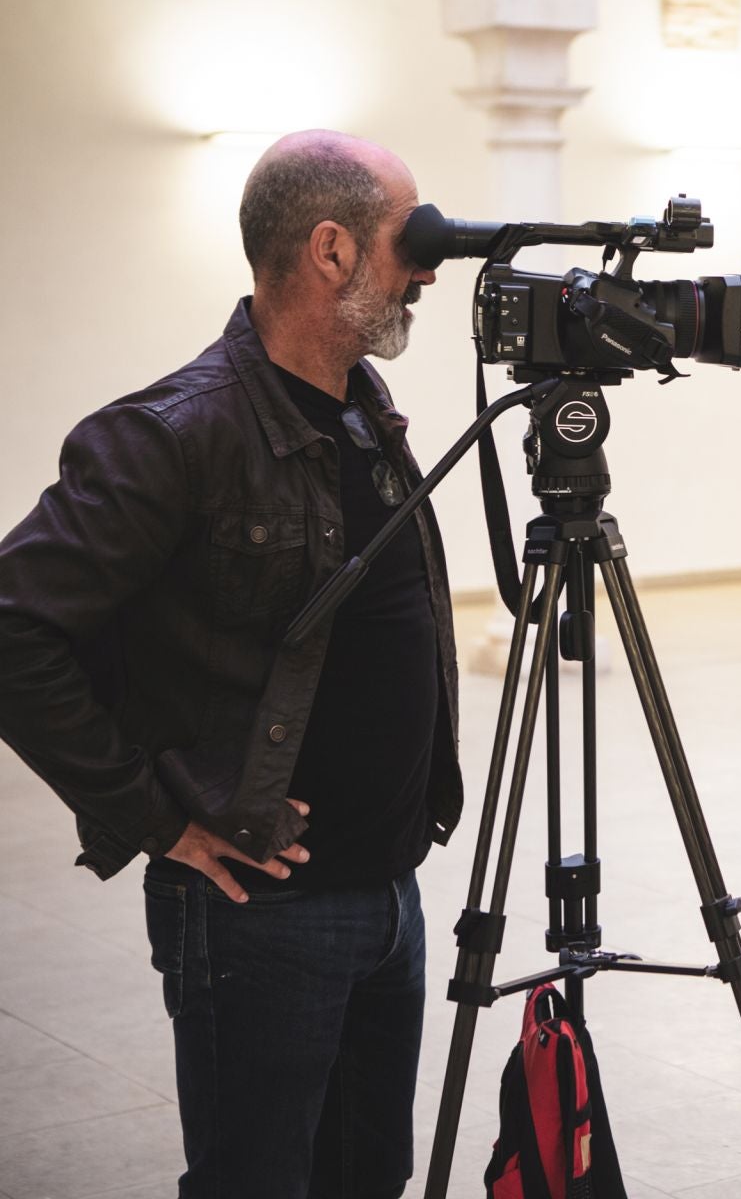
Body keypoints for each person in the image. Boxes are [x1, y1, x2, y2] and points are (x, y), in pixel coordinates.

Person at [0, 130, 463, 1196]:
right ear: (332, 250)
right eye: (413, 241)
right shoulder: (173, 433)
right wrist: (154, 817)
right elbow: (14, 627)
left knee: (367, 1176)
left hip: (389, 889)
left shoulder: (362, 410)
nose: (429, 272)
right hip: (262, 911)